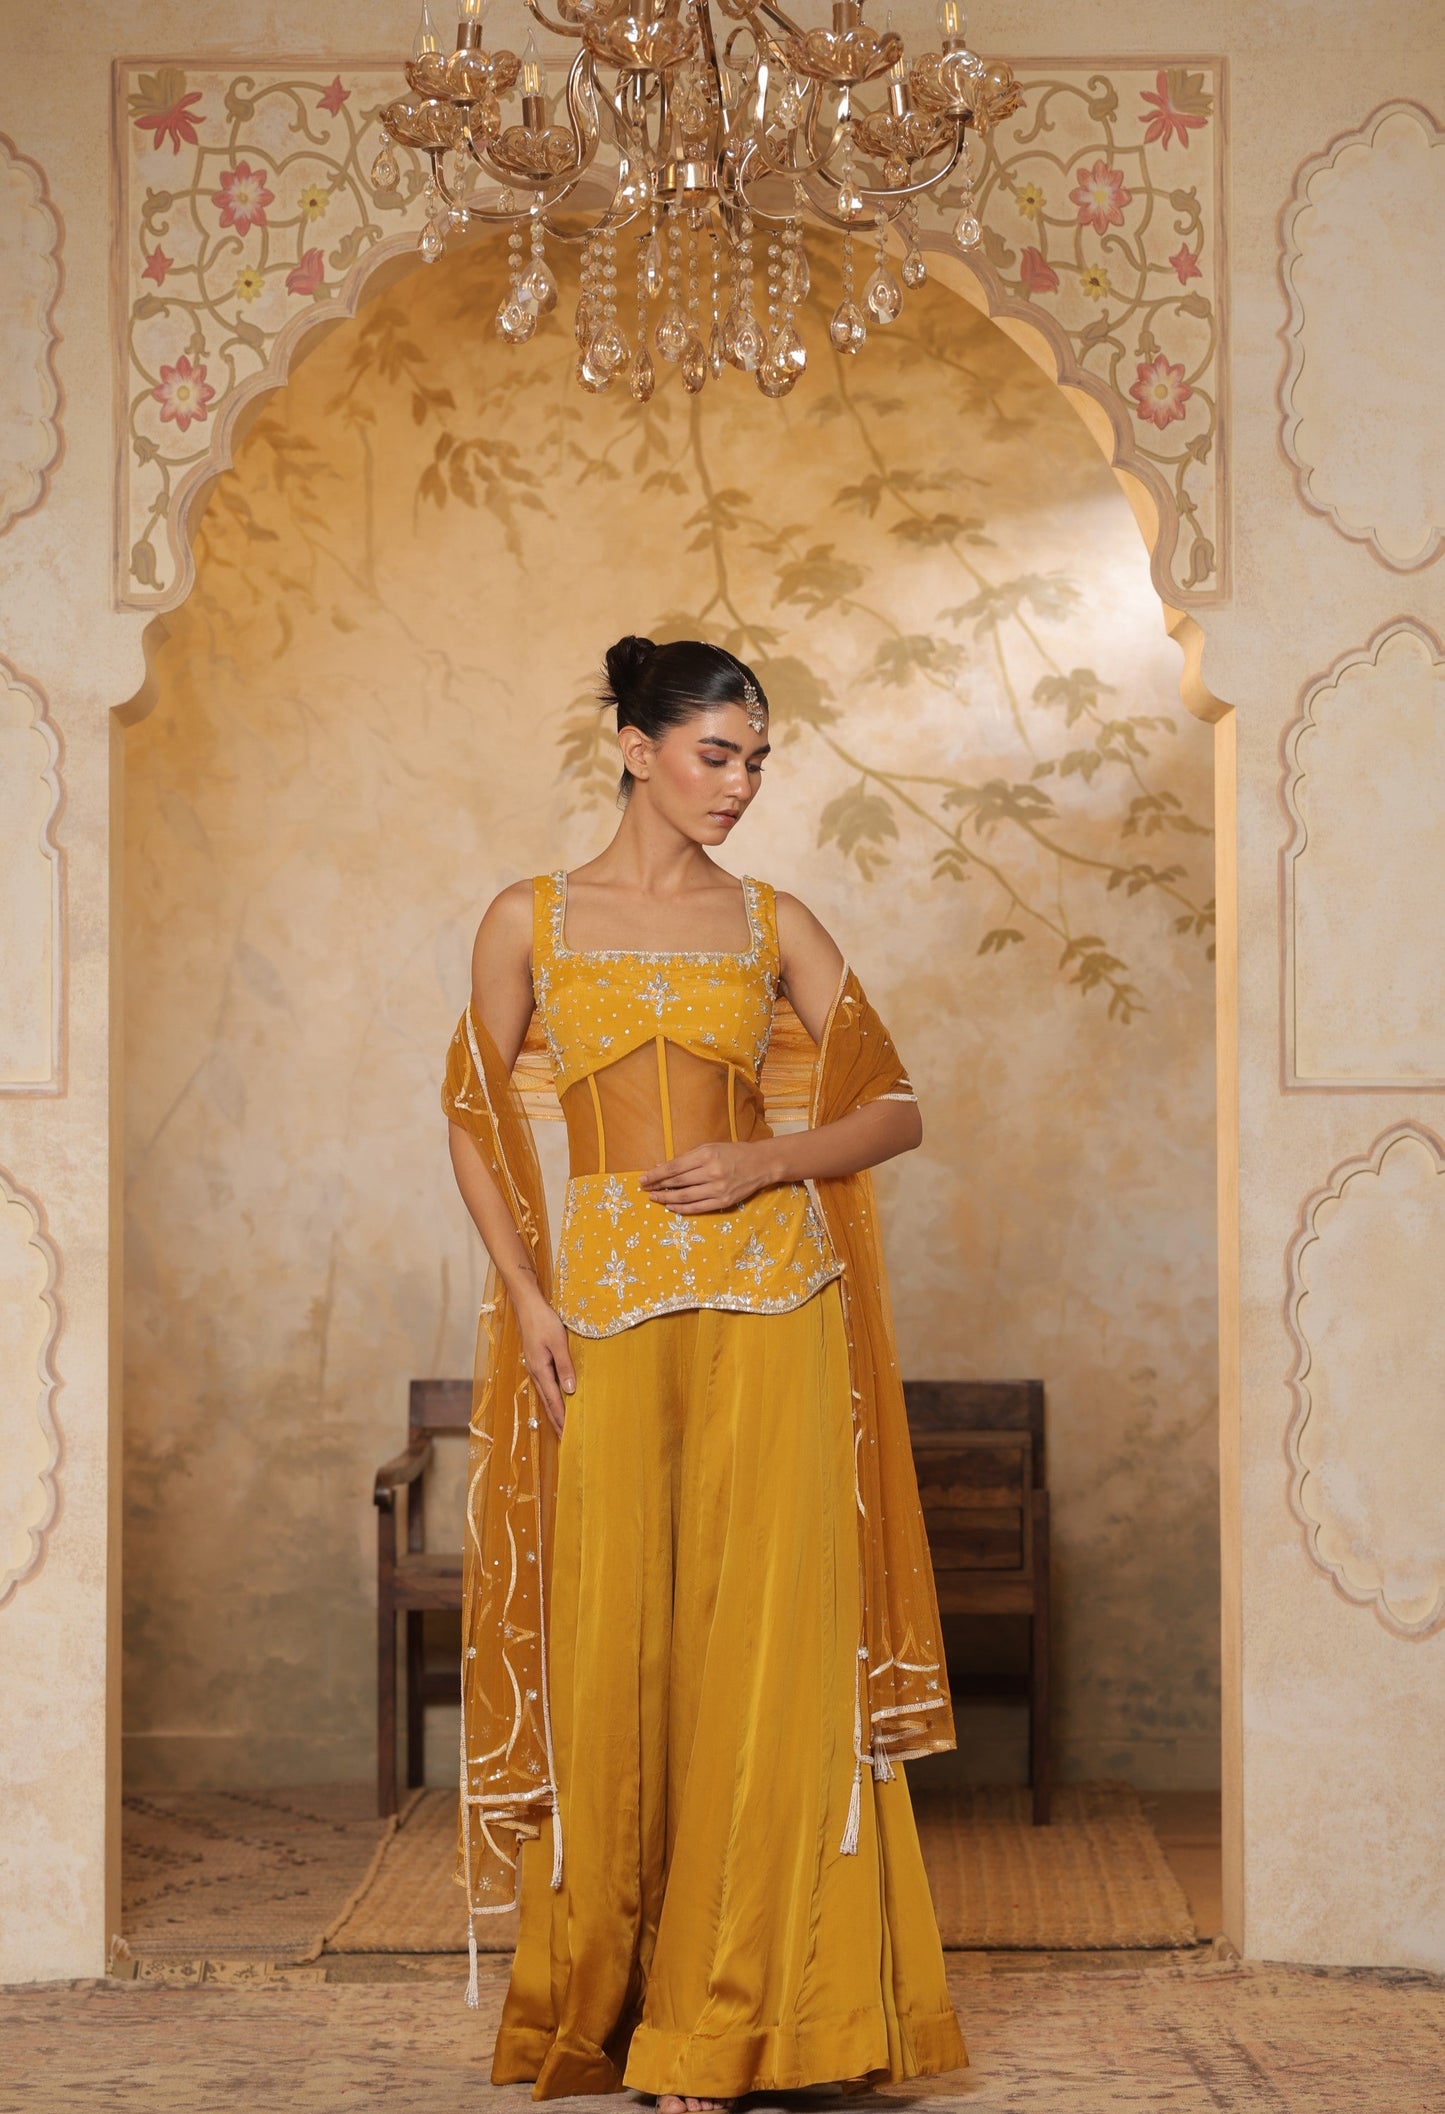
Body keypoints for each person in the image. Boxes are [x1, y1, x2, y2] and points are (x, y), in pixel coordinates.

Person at [443, 636, 965, 2107]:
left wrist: (769, 1156)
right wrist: (529, 1295)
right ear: (632, 744)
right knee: (616, 1656)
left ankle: (734, 2023)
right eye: (712, 754)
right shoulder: (527, 917)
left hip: (771, 1301)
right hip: (601, 1314)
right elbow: (475, 1122)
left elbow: (897, 1108)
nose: (737, 784)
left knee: (766, 1664)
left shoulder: (770, 923)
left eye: (753, 760)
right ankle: (618, 1996)